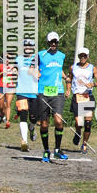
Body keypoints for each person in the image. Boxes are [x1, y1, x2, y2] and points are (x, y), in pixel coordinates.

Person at [65, 47, 97, 154]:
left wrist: (93, 84)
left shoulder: (92, 68)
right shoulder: (73, 67)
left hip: (87, 96)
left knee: (87, 123)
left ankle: (84, 144)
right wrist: (68, 90)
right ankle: (77, 132)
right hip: (77, 97)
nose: (83, 57)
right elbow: (69, 79)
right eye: (81, 56)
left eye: (85, 56)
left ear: (87, 57)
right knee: (79, 122)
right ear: (78, 56)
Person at [37, 32, 68, 161]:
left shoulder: (62, 56)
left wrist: (66, 79)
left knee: (59, 121)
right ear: (48, 43)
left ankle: (57, 149)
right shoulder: (40, 55)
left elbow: (59, 69)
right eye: (51, 42)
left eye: (56, 42)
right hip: (43, 92)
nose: (54, 44)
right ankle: (46, 150)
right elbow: (33, 68)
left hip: (58, 92)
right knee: (44, 124)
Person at [15, 39, 40, 153]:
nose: (27, 47)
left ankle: (32, 127)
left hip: (33, 92)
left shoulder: (37, 59)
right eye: (25, 45)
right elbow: (14, 72)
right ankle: (24, 142)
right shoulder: (18, 59)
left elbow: (41, 72)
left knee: (34, 117)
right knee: (23, 115)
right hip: (21, 91)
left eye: (30, 46)